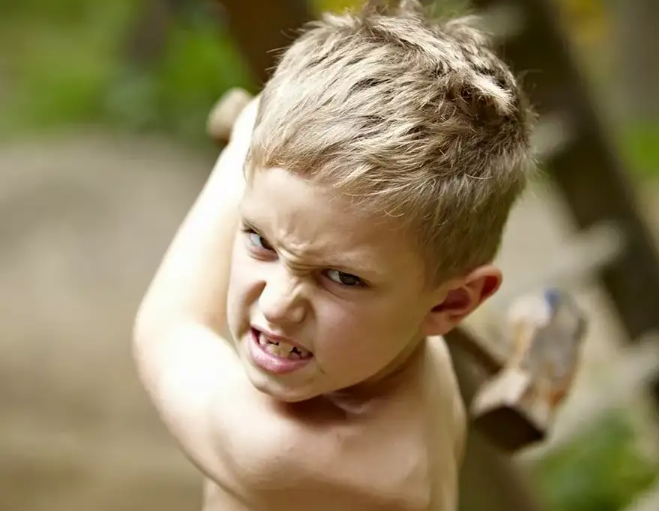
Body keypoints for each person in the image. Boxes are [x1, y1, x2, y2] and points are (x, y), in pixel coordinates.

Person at [132, 1, 534, 509]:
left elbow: (169, 328)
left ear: (450, 304)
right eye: (260, 240)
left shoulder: (295, 459)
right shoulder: (398, 341)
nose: (277, 306)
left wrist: (248, 139)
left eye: (341, 278)